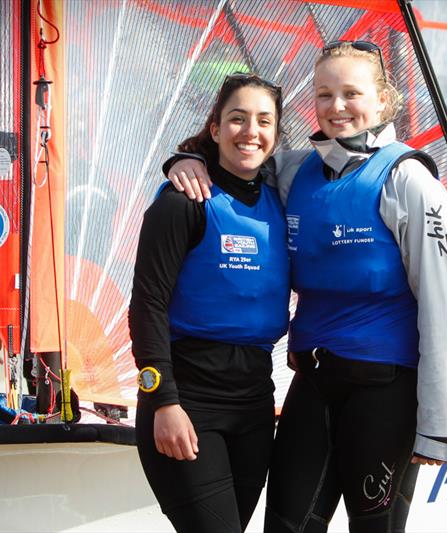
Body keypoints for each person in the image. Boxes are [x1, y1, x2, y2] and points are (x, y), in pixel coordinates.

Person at [166, 40, 447, 533]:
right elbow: (235, 157)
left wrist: (437, 427)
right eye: (324, 94)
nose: (337, 106)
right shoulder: (293, 169)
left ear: (383, 100)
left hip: (386, 390)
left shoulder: (409, 180)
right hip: (315, 384)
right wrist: (182, 160)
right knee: (285, 525)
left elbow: (442, 307)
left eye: (351, 93)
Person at [129, 73, 290, 533]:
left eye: (264, 121)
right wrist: (163, 402)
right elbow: (147, 307)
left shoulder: (283, 197)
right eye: (237, 119)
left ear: (277, 135)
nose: (250, 131)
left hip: (255, 403)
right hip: (187, 400)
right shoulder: (184, 202)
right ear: (215, 129)